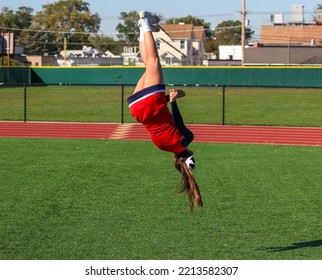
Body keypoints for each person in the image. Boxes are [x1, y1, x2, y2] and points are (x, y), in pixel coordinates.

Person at [127, 11, 202, 209]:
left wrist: (174, 101)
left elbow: (177, 122)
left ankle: (145, 23)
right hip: (137, 109)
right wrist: (168, 100)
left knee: (153, 62)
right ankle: (141, 29)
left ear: (189, 156)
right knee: (148, 67)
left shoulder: (184, 139)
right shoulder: (164, 147)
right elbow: (163, 122)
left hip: (152, 103)